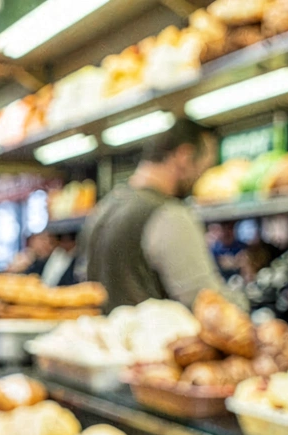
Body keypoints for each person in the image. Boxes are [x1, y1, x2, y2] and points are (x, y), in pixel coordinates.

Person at [81, 119, 232, 310]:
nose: (201, 177)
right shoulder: (169, 214)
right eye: (204, 167)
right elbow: (206, 301)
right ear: (184, 156)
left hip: (102, 328)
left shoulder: (103, 207)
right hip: (154, 330)